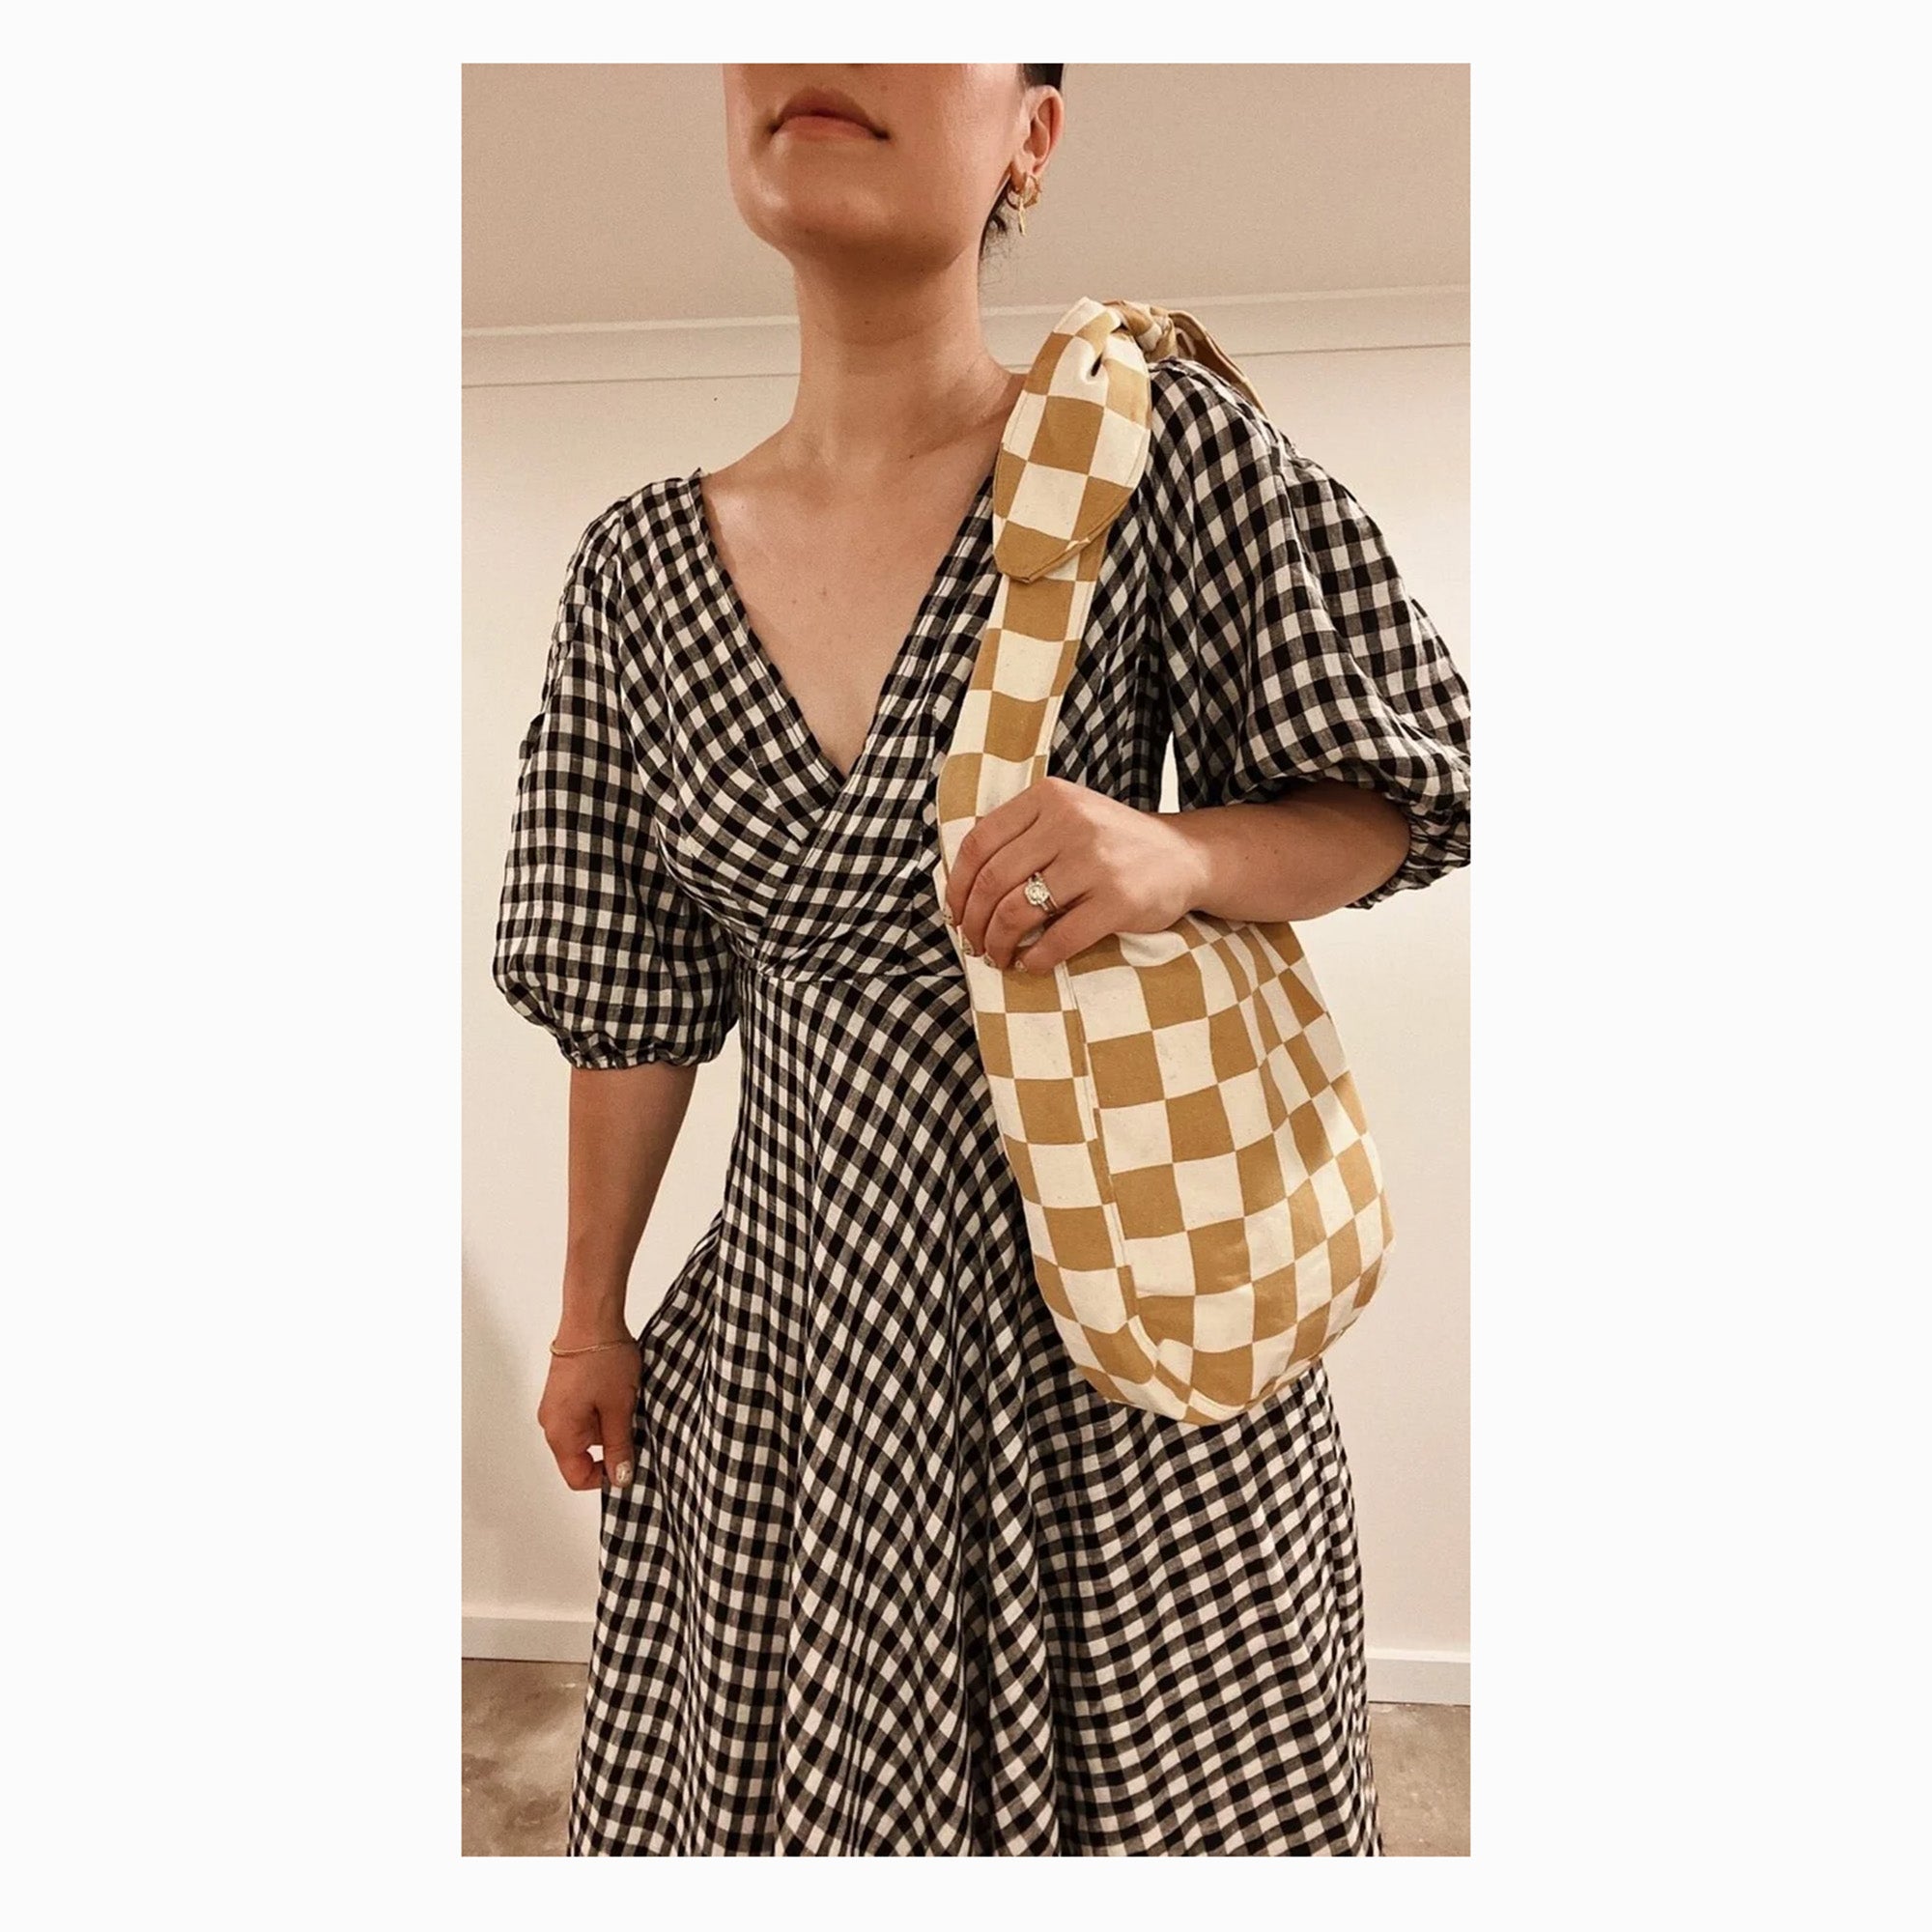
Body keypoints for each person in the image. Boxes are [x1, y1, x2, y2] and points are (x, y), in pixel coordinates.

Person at [491, 63, 1470, 1857]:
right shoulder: (635, 573)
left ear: (1034, 132)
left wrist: (1184, 855)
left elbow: (1405, 788)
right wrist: (586, 1315)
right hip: (795, 1353)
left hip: (1119, 1338)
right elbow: (625, 996)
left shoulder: (1152, 455)